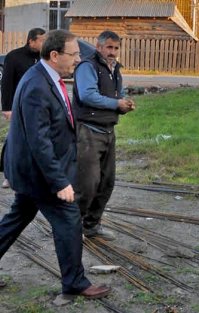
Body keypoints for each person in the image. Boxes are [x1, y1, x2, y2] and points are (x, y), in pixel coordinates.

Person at [0, 29, 111, 299]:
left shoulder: (44, 78)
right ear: (54, 55)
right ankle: (75, 283)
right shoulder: (37, 85)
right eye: (73, 55)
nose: (77, 60)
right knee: (69, 220)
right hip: (38, 172)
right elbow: (40, 141)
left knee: (17, 217)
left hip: (29, 171)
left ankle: (74, 280)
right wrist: (60, 181)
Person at [73, 30, 135, 241]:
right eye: (109, 47)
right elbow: (87, 95)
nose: (113, 52)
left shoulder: (115, 68)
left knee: (107, 182)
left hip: (108, 131)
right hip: (89, 131)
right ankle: (73, 228)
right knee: (87, 184)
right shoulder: (87, 66)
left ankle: (91, 225)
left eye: (116, 48)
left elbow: (119, 93)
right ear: (98, 47)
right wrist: (115, 104)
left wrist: (124, 103)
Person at [0, 28, 46, 189]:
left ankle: (32, 174)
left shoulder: (44, 58)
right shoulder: (14, 57)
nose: (43, 43)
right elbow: (6, 84)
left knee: (36, 140)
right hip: (17, 107)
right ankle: (8, 174)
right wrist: (6, 108)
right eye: (41, 40)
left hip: (38, 107)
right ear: (31, 40)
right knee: (13, 141)